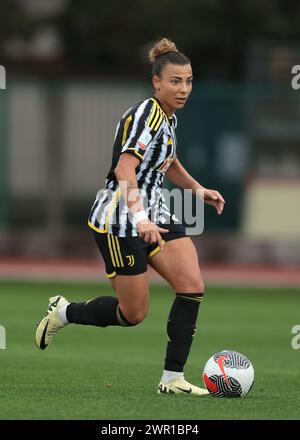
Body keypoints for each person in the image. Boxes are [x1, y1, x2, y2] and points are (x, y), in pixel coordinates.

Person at [35, 38, 225, 396]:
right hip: (119, 220)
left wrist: (199, 190)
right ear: (157, 82)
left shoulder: (169, 119)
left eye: (188, 81)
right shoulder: (146, 115)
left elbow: (168, 163)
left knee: (192, 286)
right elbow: (125, 167)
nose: (183, 89)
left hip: (156, 213)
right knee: (133, 314)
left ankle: (172, 380)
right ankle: (65, 313)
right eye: (175, 81)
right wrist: (139, 219)